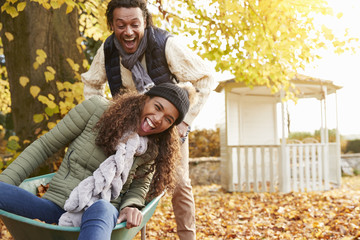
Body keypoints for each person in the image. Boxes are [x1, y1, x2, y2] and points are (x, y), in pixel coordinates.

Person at [81, 0, 215, 238]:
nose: (128, 31)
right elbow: (92, 84)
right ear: (112, 24)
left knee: (179, 183)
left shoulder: (166, 45)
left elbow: (205, 79)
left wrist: (184, 123)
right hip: (130, 125)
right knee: (127, 184)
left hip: (167, 124)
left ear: (145, 22)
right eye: (121, 25)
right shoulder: (107, 50)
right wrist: (104, 115)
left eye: (135, 24)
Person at [0, 83, 193, 240]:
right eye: (157, 107)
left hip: (103, 216)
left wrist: (130, 207)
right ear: (145, 99)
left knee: (101, 207)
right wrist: (5, 184)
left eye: (168, 119)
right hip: (58, 206)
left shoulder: (152, 150)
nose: (158, 119)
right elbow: (44, 147)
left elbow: (138, 188)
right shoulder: (95, 110)